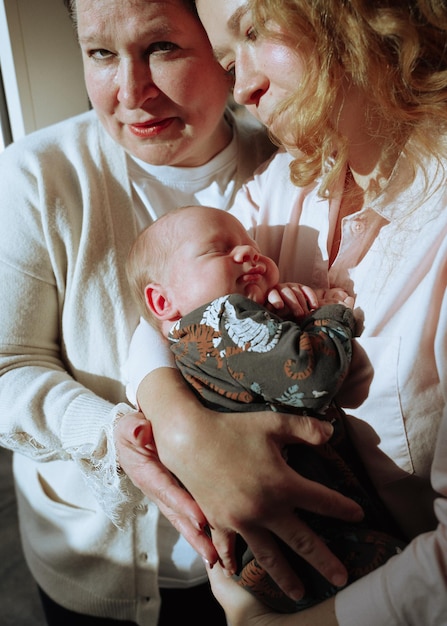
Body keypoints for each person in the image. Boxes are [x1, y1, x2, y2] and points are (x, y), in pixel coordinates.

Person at [125, 0, 447, 624]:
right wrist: (184, 429)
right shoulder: (287, 185)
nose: (240, 86)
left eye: (252, 30)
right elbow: (169, 301)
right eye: (224, 58)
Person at [0, 0, 279, 624]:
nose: (131, 91)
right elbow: (6, 367)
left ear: (224, 43)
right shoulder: (36, 178)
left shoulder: (287, 164)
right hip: (102, 571)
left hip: (277, 571)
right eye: (101, 53)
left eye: (163, 49)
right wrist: (116, 438)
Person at [126, 204, 405, 613]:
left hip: (270, 549)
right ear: (162, 300)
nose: (248, 253)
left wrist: (279, 312)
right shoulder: (221, 317)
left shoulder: (202, 341)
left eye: (251, 246)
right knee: (404, 583)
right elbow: (310, 375)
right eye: (219, 250)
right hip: (308, 537)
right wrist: (330, 316)